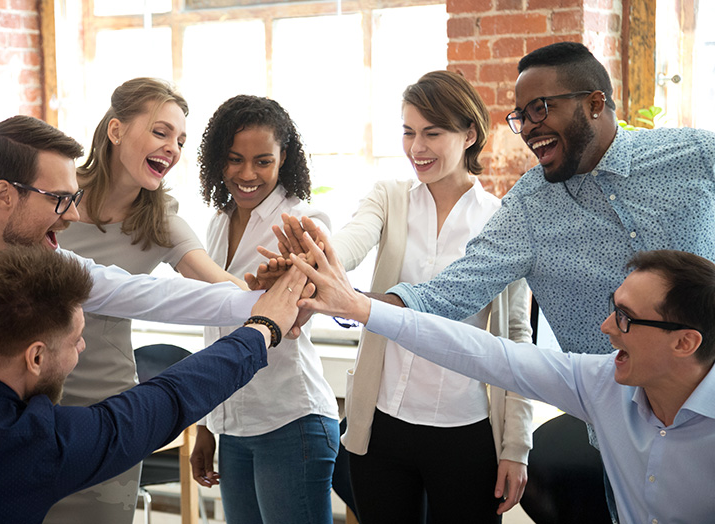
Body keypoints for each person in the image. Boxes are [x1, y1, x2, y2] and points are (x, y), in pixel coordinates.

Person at [273, 41, 715, 521]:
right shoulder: (528, 207)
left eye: (540, 109)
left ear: (594, 102)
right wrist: (342, 293)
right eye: (520, 115)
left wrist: (514, 445)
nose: (528, 128)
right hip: (621, 420)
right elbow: (454, 304)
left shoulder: (695, 155)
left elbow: (510, 337)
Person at [291, 234, 715, 524]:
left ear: (685, 342)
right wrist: (360, 308)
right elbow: (485, 354)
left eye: (625, 317)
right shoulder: (601, 383)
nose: (605, 326)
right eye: (613, 307)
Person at [0, 245, 309, 524]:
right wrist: (263, 329)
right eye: (75, 341)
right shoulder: (31, 444)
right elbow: (165, 401)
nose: (82, 348)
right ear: (35, 357)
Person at [323, 71, 532, 522]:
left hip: (466, 430)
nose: (417, 148)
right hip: (382, 427)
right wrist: (319, 258)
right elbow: (350, 241)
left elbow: (517, 337)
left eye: (432, 133)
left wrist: (516, 446)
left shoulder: (502, 220)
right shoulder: (390, 198)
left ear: (469, 134)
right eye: (408, 132)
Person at [0, 114, 262, 374]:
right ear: (5, 194)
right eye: (59, 199)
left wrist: (262, 305)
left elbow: (150, 295)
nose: (74, 216)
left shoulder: (46, 263)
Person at [46, 78, 247, 523]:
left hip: (109, 410)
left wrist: (271, 301)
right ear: (116, 131)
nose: (172, 148)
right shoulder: (56, 197)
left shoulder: (161, 221)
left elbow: (217, 284)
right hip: (34, 401)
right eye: (161, 132)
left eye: (180, 140)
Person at [191, 95, 340, 524]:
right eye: (235, 159)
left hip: (290, 421)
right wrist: (208, 426)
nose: (247, 174)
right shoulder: (218, 222)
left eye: (262, 161)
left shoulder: (304, 220)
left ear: (284, 158)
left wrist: (285, 288)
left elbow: (305, 301)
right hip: (234, 427)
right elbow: (212, 327)